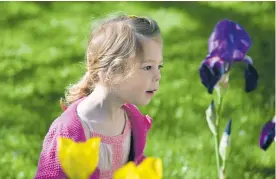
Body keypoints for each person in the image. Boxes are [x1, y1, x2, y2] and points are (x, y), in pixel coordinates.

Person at [34, 14, 163, 179]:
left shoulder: (132, 120)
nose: (158, 75)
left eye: (159, 66)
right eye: (148, 67)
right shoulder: (70, 130)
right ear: (112, 70)